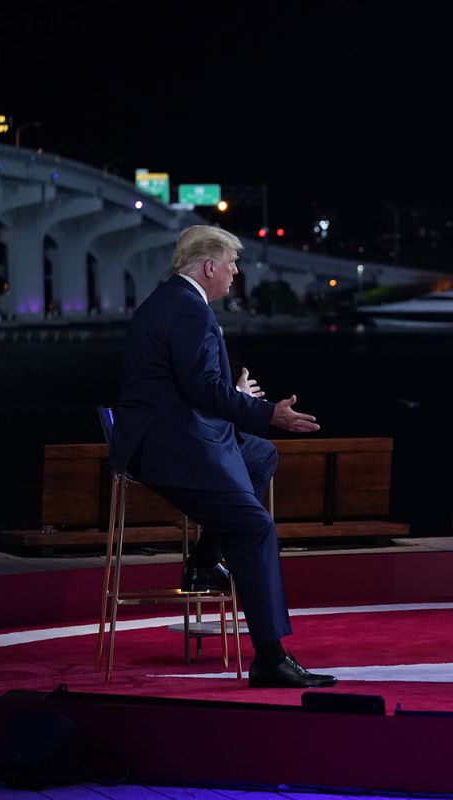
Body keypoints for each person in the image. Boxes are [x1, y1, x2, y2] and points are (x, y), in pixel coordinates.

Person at [109, 224, 337, 689]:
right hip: (170, 447)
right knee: (254, 527)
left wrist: (234, 399)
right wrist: (266, 411)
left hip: (167, 433)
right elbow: (200, 389)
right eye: (231, 263)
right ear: (209, 266)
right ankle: (270, 659)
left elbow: (184, 386)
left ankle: (204, 559)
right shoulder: (188, 311)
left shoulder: (169, 302)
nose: (235, 272)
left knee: (260, 455)